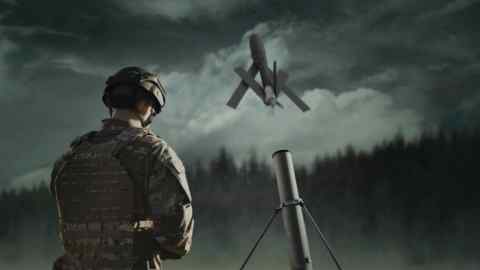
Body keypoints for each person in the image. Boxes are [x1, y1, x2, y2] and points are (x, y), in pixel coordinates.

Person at [50, 66, 193, 270]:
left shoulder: (69, 158)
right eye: (154, 107)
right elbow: (177, 239)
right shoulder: (155, 153)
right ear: (146, 104)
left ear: (110, 103)